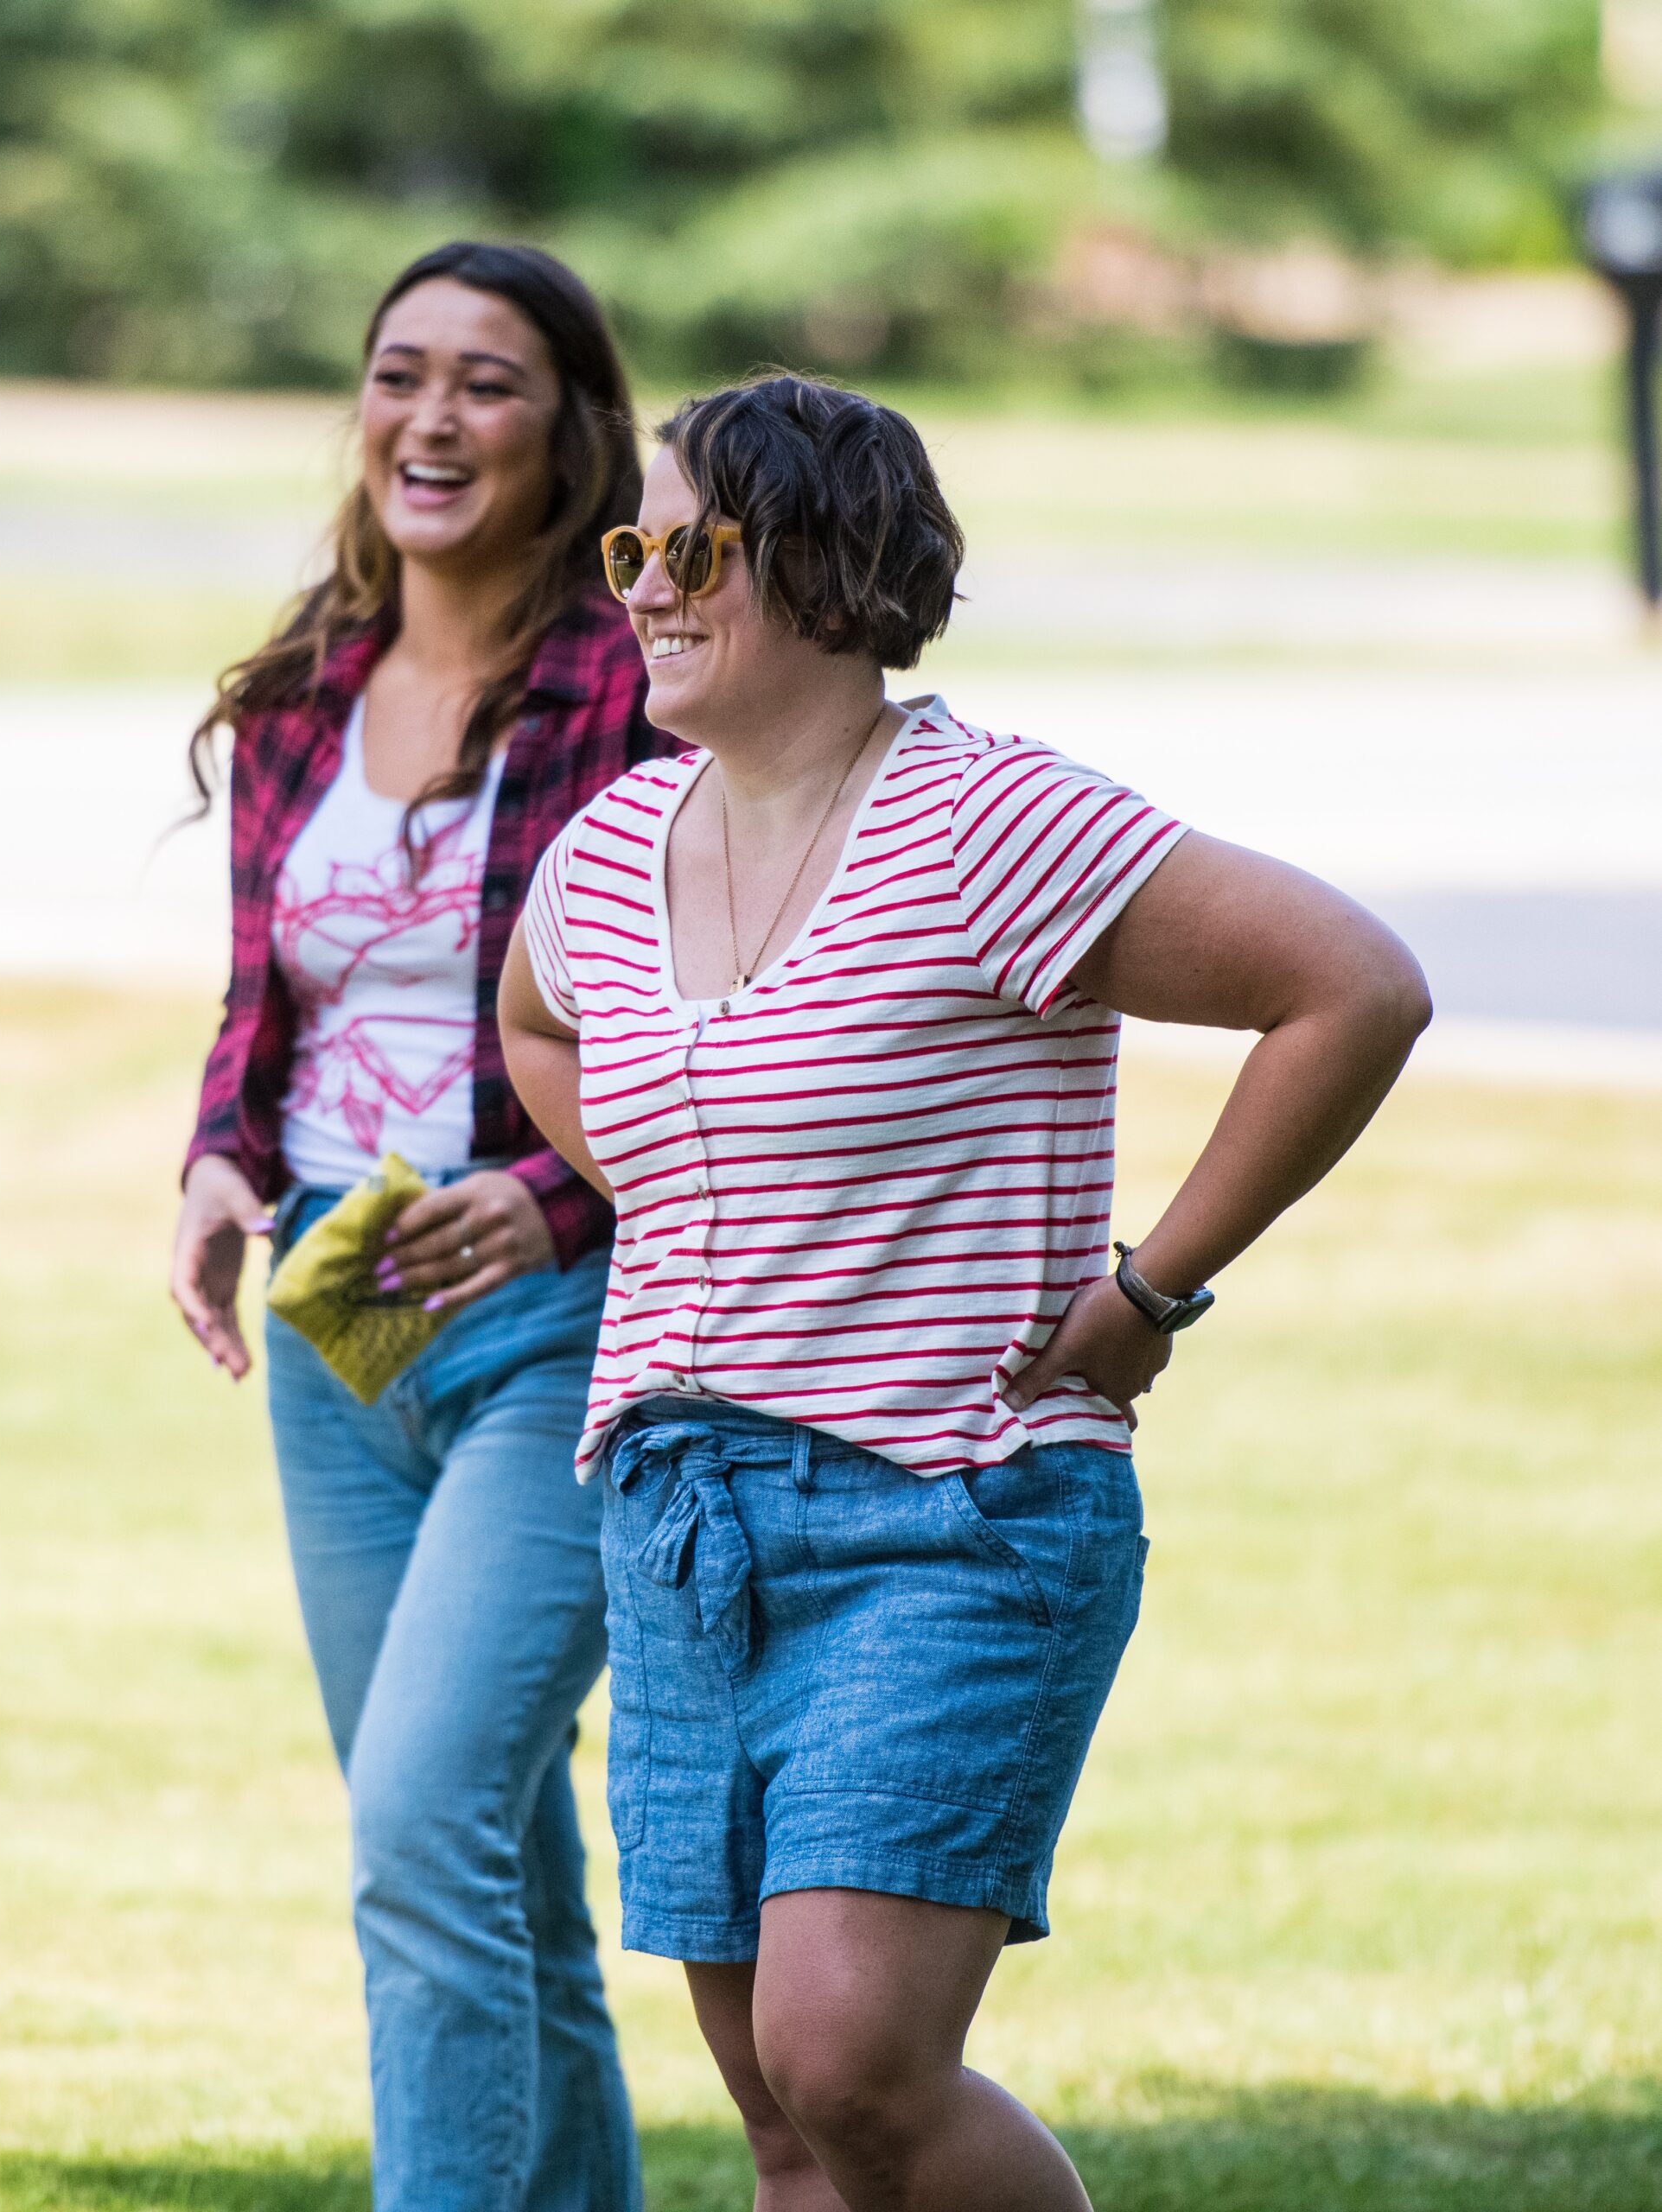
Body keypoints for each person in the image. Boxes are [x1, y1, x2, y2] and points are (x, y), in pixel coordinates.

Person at [497, 373, 1432, 2212]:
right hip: (676, 1518)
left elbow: (1350, 985)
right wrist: (690, 1195)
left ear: (829, 561)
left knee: (852, 2058)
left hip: (951, 1508)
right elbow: (540, 1023)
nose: (640, 589)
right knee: (781, 2114)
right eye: (628, 547)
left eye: (685, 544)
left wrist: (1150, 1290)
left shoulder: (985, 822)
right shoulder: (609, 852)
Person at [170, 241, 672, 2212]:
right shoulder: (307, 685)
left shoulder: (637, 691)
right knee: (490, 1859)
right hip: (335, 1307)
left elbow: (710, 1017)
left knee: (419, 1818)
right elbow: (262, 993)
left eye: (489, 383)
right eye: (402, 375)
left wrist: (552, 1196)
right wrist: (218, 1157)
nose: (432, 419)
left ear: (572, 438)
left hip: (564, 1316)